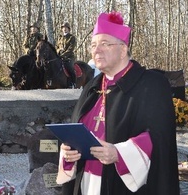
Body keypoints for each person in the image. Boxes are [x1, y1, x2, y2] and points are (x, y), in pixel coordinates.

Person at [56, 11, 179, 194]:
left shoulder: (151, 84)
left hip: (123, 186)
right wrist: (68, 152)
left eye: (105, 44)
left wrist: (119, 153)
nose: (96, 50)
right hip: (86, 183)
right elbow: (76, 131)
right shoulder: (91, 87)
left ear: (123, 50)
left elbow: (160, 138)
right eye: (93, 45)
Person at [56, 22, 77, 88]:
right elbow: (57, 47)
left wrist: (63, 55)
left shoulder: (72, 37)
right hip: (60, 56)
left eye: (66, 28)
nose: (64, 29)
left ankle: (73, 83)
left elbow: (70, 49)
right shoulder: (60, 38)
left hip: (69, 57)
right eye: (63, 28)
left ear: (68, 29)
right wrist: (59, 51)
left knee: (69, 67)